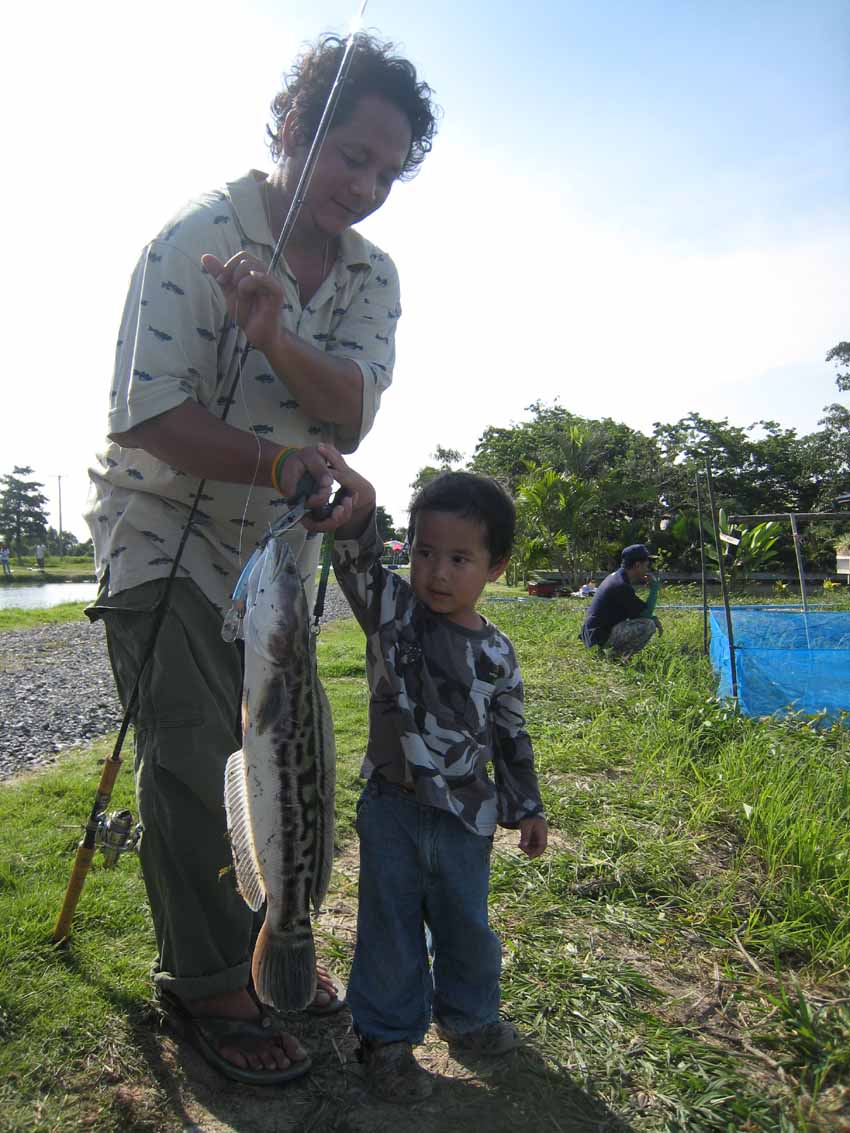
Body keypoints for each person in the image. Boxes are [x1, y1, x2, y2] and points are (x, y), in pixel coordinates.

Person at [83, 34, 438, 1086]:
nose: (364, 186)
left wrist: (279, 343)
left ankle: (265, 940)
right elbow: (146, 417)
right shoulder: (193, 237)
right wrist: (285, 458)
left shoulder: (373, 274)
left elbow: (353, 412)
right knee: (195, 761)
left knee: (288, 766)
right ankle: (206, 986)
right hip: (164, 538)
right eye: (350, 155)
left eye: (386, 170)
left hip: (276, 556)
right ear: (294, 127)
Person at [313, 452, 548, 1103]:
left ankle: (470, 1018)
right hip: (391, 806)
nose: (436, 572)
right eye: (423, 553)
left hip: (467, 818)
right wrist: (357, 510)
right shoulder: (393, 612)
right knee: (389, 925)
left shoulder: (497, 651)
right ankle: (386, 1039)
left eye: (459, 558)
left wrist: (527, 805)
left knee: (466, 923)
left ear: (496, 567)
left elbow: (511, 736)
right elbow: (357, 565)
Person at [580, 544, 662, 657]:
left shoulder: (617, 578)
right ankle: (615, 657)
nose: (647, 570)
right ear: (637, 565)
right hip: (598, 638)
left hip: (594, 634)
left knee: (648, 621)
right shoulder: (621, 586)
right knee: (648, 625)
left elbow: (637, 613)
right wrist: (654, 589)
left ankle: (611, 654)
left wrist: (652, 617)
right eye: (646, 566)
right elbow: (646, 614)